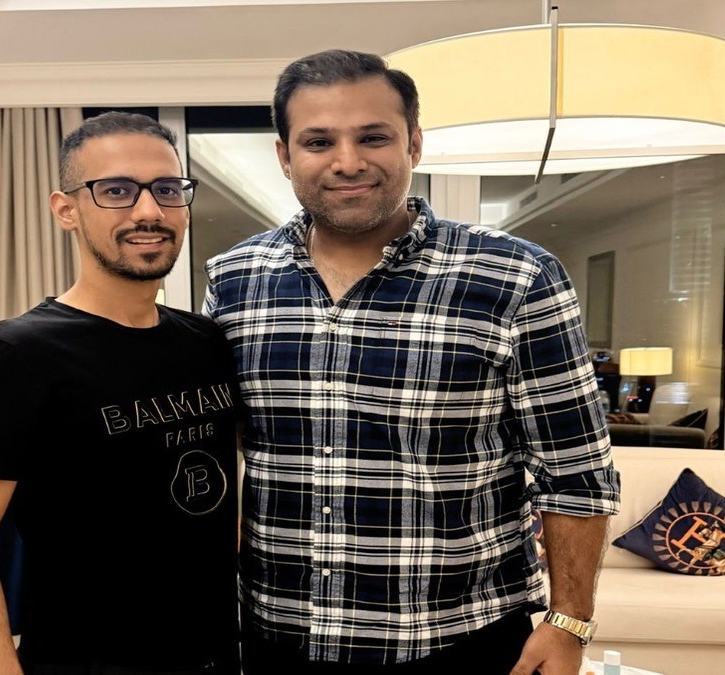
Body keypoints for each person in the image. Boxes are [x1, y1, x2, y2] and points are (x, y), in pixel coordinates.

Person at [203, 50, 621, 675]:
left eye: (373, 137)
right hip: (277, 638)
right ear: (285, 157)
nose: (348, 161)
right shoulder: (234, 280)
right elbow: (218, 452)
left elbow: (576, 471)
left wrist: (570, 621)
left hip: (460, 642)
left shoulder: (516, 277)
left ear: (415, 144)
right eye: (319, 141)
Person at [0, 111, 240, 675]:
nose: (149, 211)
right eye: (116, 191)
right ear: (66, 210)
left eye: (167, 189)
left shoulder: (205, 341)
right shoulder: (15, 355)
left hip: (215, 653)